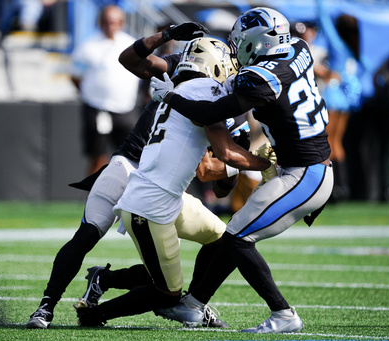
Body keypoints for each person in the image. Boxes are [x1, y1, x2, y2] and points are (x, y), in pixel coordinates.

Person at [150, 7, 334, 334]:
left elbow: (209, 112)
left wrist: (171, 97)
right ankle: (192, 305)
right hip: (304, 167)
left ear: (255, 41)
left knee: (238, 237)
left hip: (305, 174)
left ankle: (283, 313)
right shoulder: (300, 49)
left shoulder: (261, 78)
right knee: (232, 233)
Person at [26, 21, 218, 329]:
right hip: (133, 165)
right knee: (88, 234)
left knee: (217, 242)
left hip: (163, 182)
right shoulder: (179, 68)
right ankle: (46, 306)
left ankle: (180, 301)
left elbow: (212, 172)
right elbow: (129, 59)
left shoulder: (228, 92)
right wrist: (165, 35)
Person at [74, 36, 276, 327]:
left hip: (167, 196)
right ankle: (93, 315)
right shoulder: (206, 91)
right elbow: (224, 156)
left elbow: (211, 170)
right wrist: (266, 163)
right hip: (149, 207)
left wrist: (240, 162)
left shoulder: (185, 91)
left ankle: (193, 304)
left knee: (227, 239)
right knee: (167, 292)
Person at [70, 5, 141, 175]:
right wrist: (93, 94)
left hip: (125, 109)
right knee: (97, 157)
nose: (111, 26)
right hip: (97, 108)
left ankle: (127, 200)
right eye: (107, 22)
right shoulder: (88, 46)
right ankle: (93, 198)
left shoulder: (131, 44)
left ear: (121, 23)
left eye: (115, 22)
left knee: (131, 158)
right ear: (100, 22)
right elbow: (75, 76)